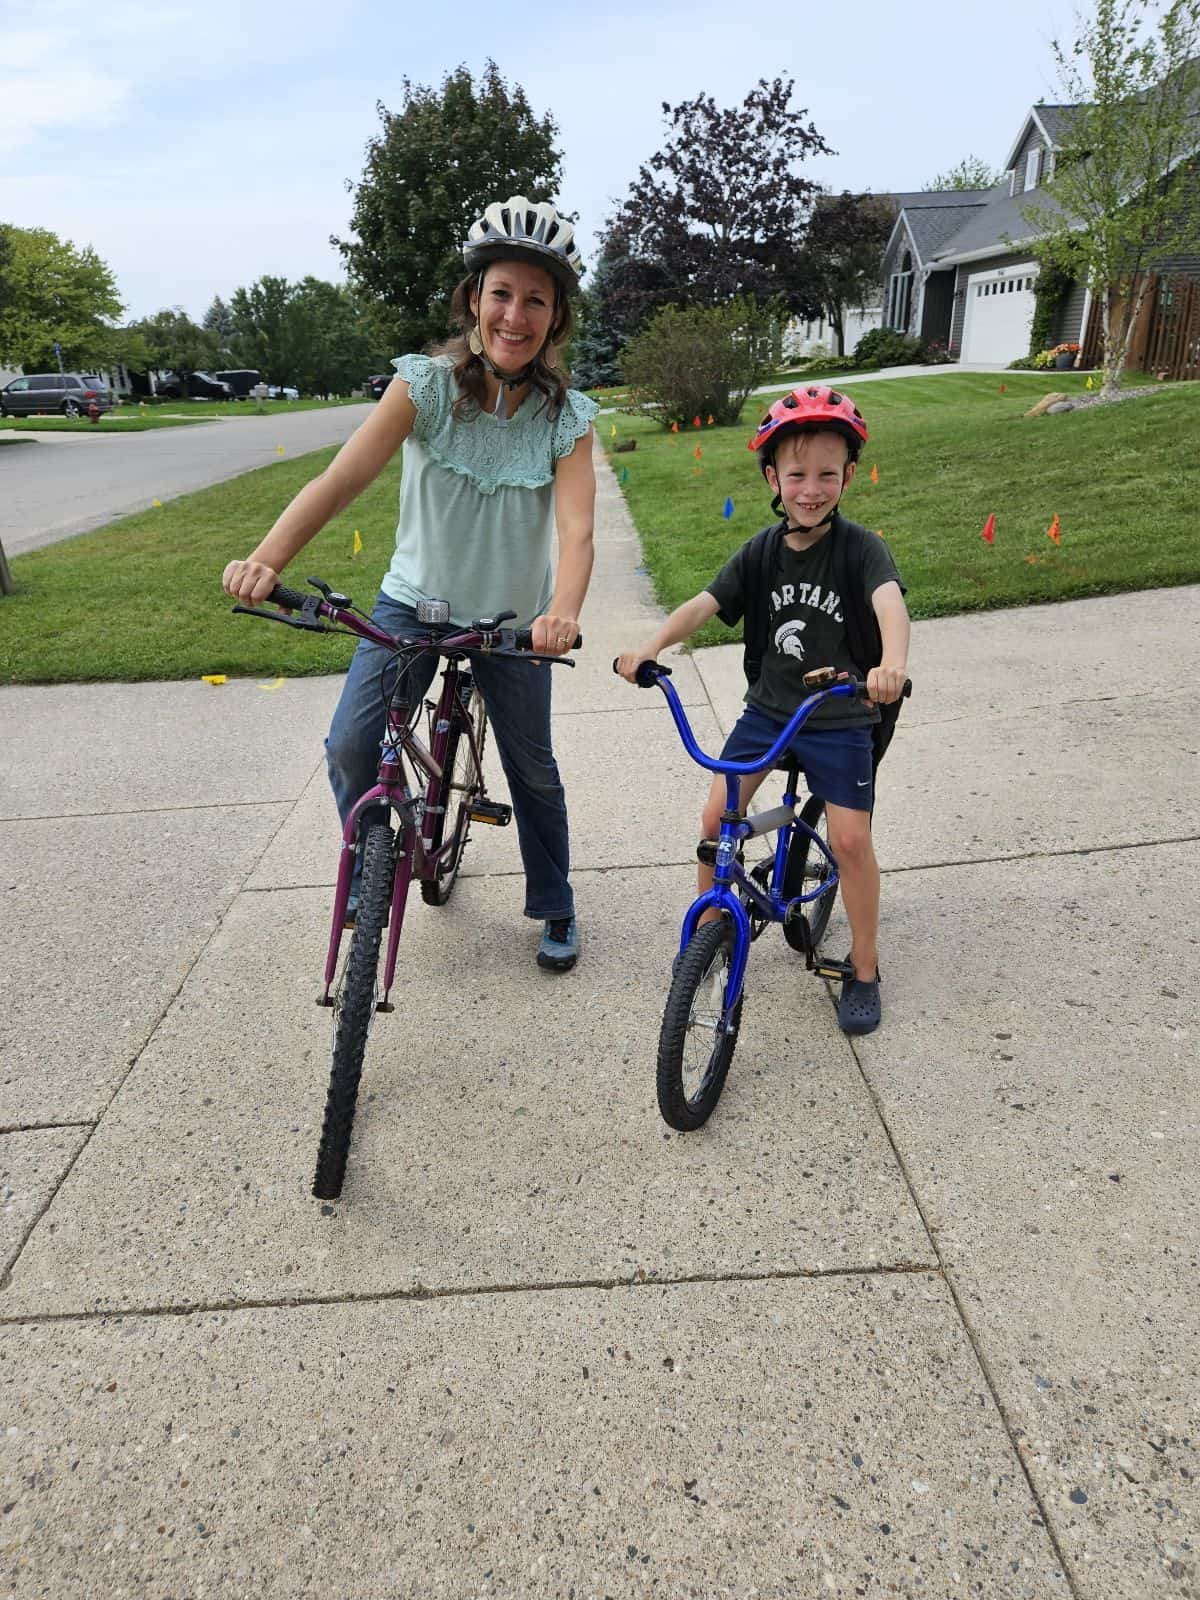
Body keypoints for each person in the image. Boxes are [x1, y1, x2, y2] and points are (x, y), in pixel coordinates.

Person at [223, 196, 598, 972]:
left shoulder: (567, 419)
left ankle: (555, 901)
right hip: (412, 605)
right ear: (473, 300)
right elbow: (340, 479)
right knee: (353, 742)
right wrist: (268, 558)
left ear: (555, 318)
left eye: (536, 300)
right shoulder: (423, 387)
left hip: (513, 624)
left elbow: (577, 531)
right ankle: (372, 864)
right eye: (502, 293)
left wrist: (561, 612)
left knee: (534, 767)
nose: (515, 315)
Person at [616, 386, 910, 1033]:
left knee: (851, 840)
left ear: (848, 476)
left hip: (839, 715)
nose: (811, 489)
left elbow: (890, 601)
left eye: (827, 474)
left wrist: (890, 665)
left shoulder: (861, 549)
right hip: (771, 712)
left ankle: (864, 966)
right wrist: (650, 645)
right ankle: (710, 937)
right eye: (797, 474)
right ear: (773, 477)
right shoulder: (761, 551)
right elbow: (703, 604)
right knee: (718, 815)